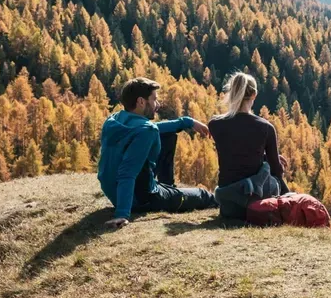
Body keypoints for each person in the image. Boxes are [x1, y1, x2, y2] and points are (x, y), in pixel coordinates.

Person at [98, 77, 217, 227]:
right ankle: (219, 203)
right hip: (142, 198)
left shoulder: (114, 120)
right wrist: (122, 213)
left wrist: (186, 122)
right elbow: (127, 172)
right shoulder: (146, 130)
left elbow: (153, 129)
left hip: (113, 190)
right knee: (203, 195)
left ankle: (168, 187)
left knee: (167, 135)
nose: (158, 105)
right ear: (141, 101)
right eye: (154, 100)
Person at [208, 72, 289, 219]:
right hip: (254, 202)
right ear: (254, 94)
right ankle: (285, 202)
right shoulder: (265, 128)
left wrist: (263, 156)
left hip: (228, 204)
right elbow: (276, 169)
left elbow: (234, 151)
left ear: (231, 93)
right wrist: (271, 160)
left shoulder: (215, 124)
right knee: (271, 173)